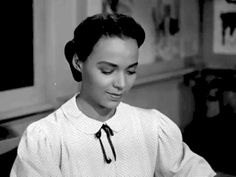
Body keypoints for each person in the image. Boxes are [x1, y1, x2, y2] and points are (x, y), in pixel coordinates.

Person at [10, 13, 217, 177]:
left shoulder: (152, 127)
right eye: (107, 71)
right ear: (78, 63)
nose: (122, 84)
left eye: (131, 71)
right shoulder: (46, 138)